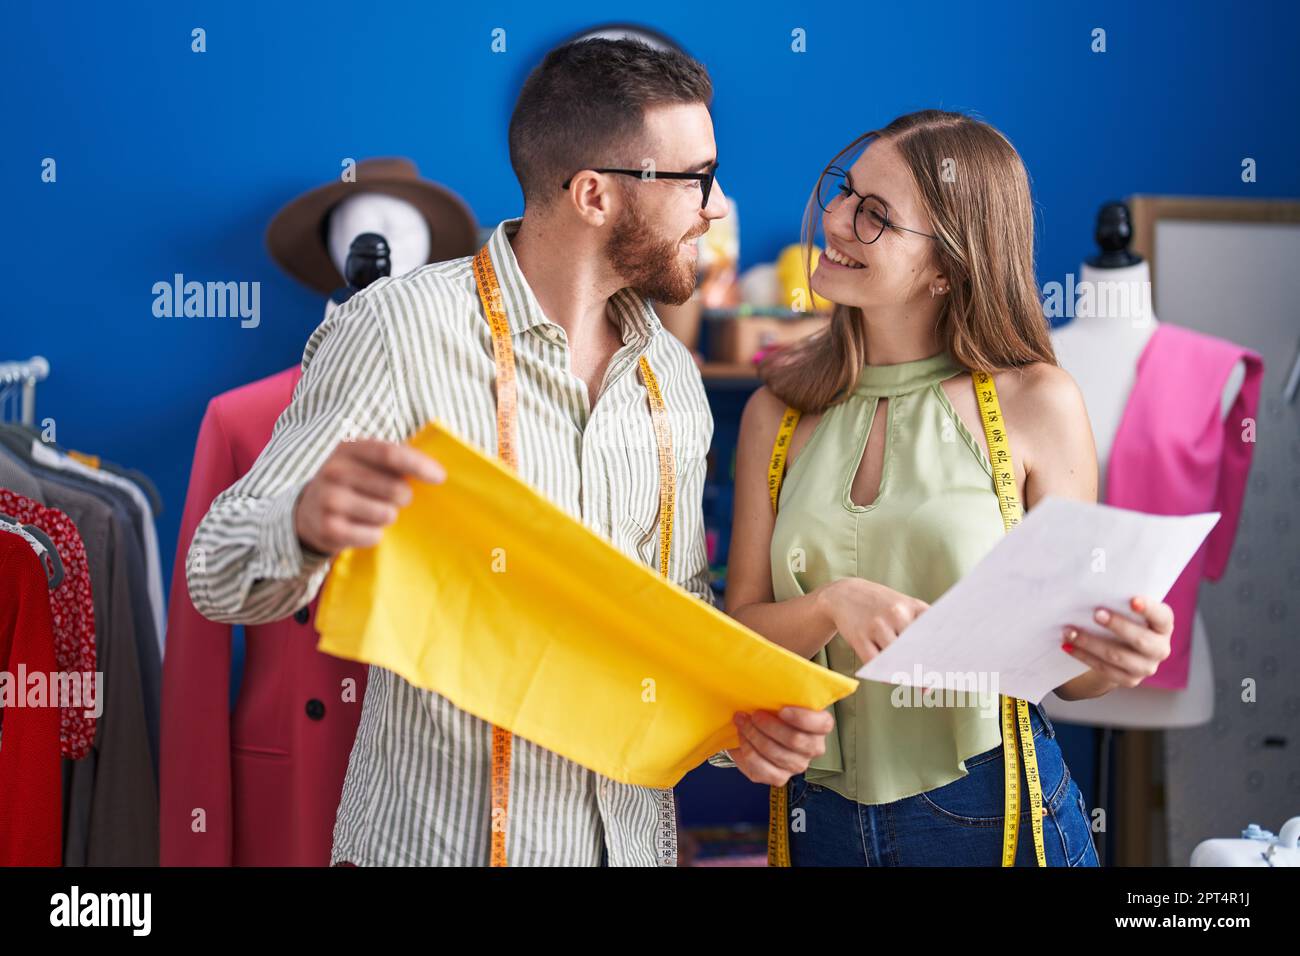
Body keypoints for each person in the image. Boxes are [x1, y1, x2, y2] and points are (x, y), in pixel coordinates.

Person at [186, 37, 832, 867]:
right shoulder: (397, 329)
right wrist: (305, 524)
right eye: (696, 178)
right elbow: (215, 574)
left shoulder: (671, 376)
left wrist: (736, 727)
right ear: (595, 194)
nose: (715, 208)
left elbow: (665, 638)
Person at [724, 110, 1176, 866]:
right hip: (816, 816)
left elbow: (1076, 677)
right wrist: (834, 604)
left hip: (989, 810)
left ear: (947, 266)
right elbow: (739, 633)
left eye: (876, 216)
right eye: (846, 193)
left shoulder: (1037, 402)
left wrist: (1120, 654)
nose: (835, 220)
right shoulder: (778, 411)